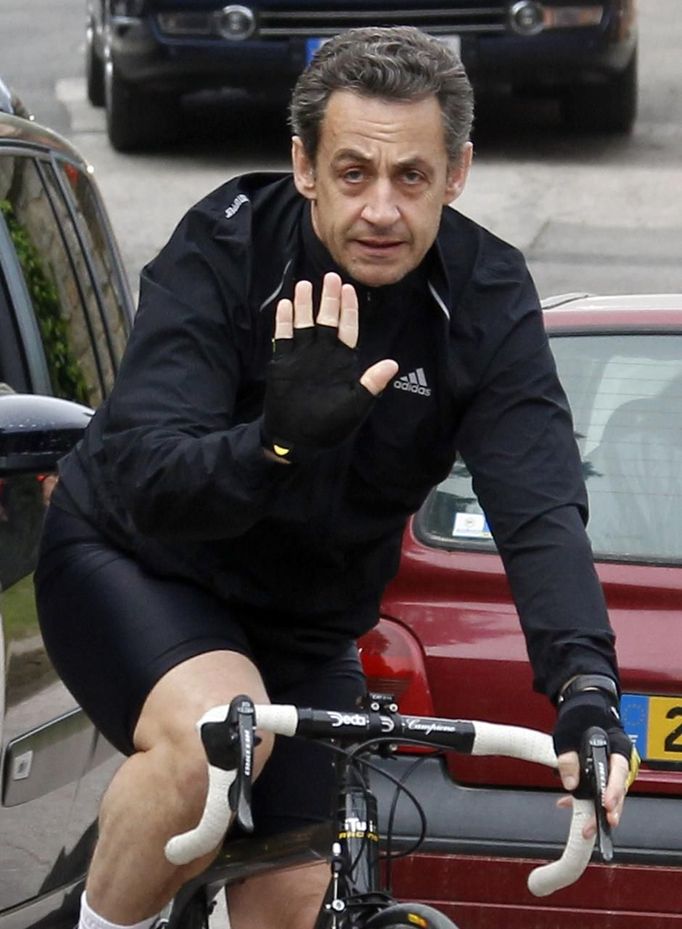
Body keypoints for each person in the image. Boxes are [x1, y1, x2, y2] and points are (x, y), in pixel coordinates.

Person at [35, 25, 637, 929]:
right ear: (304, 165)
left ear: (458, 172)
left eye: (412, 178)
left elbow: (539, 507)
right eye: (353, 173)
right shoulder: (226, 249)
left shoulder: (484, 298)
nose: (382, 210)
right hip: (139, 563)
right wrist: (276, 442)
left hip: (307, 619)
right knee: (214, 742)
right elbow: (149, 476)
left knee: (288, 899)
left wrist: (587, 691)